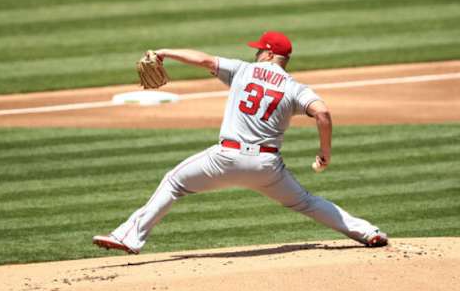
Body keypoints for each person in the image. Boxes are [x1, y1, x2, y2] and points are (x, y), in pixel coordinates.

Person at [93, 31, 388, 254]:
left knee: (174, 182)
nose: (257, 53)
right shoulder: (295, 87)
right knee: (307, 202)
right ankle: (367, 233)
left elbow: (205, 59)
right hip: (267, 167)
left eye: (260, 50)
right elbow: (322, 112)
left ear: (270, 54)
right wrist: (325, 154)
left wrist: (165, 52)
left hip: (225, 159)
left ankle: (128, 237)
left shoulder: (243, 70)